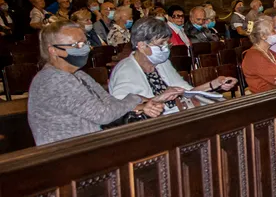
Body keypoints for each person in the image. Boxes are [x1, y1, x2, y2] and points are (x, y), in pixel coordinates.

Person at [27, 20, 183, 145]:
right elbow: (103, 114)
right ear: (53, 50)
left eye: (85, 43)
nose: (85, 49)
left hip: (91, 145)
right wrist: (135, 98)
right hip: (67, 153)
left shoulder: (79, 75)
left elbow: (110, 102)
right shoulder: (54, 80)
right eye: (77, 45)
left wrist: (143, 106)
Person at [111, 18, 234, 110]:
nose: (165, 48)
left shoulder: (162, 63)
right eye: (161, 44)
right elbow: (119, 108)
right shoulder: (125, 70)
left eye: (167, 43)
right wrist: (158, 98)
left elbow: (187, 91)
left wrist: (214, 84)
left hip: (174, 116)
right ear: (142, 45)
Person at [242, 16, 276, 94]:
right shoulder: (253, 56)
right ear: (263, 36)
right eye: (273, 30)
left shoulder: (271, 52)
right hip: (266, 98)